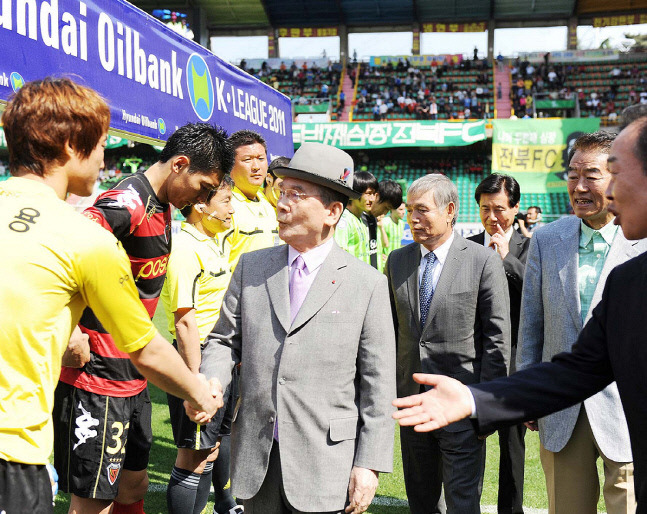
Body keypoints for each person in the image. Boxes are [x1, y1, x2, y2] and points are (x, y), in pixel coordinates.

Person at [392, 117, 647, 511]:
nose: (587, 188)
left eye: (607, 174)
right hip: (561, 415)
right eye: (572, 175)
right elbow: (575, 362)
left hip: (625, 420)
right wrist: (481, 400)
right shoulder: (620, 274)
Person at [0, 77, 221, 513]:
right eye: (101, 144)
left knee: (129, 488)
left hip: (114, 386)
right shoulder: (90, 232)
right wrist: (197, 391)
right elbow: (146, 348)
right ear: (69, 146)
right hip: (24, 443)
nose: (106, 159)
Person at [194, 142, 396, 513]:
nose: (282, 203)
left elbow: (378, 384)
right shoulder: (253, 268)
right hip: (258, 457)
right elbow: (224, 341)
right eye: (282, 192)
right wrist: (212, 379)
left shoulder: (366, 284)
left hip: (326, 464)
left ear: (333, 211)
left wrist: (369, 463)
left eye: (297, 195)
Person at [54, 121, 234, 514]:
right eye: (203, 186)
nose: (202, 198)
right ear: (179, 164)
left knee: (133, 487)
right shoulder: (129, 201)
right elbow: (67, 249)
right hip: (96, 378)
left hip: (133, 375)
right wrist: (68, 330)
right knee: (93, 502)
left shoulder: (162, 205)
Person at [517, 132, 641, 513]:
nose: (579, 186)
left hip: (628, 411)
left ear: (616, 178)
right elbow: (531, 325)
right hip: (561, 409)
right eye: (572, 175)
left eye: (591, 175)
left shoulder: (641, 240)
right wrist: (528, 395)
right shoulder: (546, 239)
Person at [385, 174, 510, 514]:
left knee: (462, 504)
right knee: (421, 502)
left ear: (450, 210)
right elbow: (392, 331)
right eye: (410, 210)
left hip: (462, 406)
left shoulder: (482, 261)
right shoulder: (397, 261)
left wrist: (486, 409)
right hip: (413, 406)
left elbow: (497, 340)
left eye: (422, 210)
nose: (413, 218)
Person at [160, 176, 239, 514]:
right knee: (191, 453)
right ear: (201, 206)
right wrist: (195, 380)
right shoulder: (185, 250)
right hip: (197, 356)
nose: (231, 209)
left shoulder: (211, 242)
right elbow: (184, 321)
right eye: (225, 202)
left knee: (210, 449)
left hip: (217, 356)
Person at [468, 174, 529, 514]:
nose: (492, 217)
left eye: (500, 209)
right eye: (485, 209)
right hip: (473, 360)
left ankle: (512, 509)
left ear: (515, 208)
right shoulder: (468, 246)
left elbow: (536, 297)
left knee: (512, 448)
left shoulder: (532, 246)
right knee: (468, 441)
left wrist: (506, 258)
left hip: (515, 362)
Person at [226, 130, 280, 270]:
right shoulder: (225, 206)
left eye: (261, 159)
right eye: (247, 160)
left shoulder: (268, 203)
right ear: (230, 165)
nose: (256, 166)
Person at [334, 171, 378, 266]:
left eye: (374, 194)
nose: (372, 199)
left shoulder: (361, 220)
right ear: (355, 193)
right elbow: (338, 259)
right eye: (368, 193)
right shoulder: (344, 220)